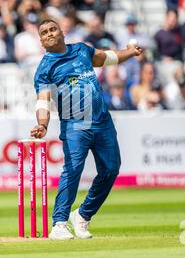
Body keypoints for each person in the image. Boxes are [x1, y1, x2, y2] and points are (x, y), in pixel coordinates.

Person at [30, 19, 143, 240]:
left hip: (103, 121)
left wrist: (129, 52)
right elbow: (43, 100)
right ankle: (59, 223)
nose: (50, 34)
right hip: (75, 125)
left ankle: (82, 215)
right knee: (72, 171)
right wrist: (42, 125)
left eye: (53, 29)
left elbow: (106, 58)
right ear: (41, 41)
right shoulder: (45, 68)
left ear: (62, 32)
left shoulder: (81, 49)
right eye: (44, 32)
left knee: (111, 170)